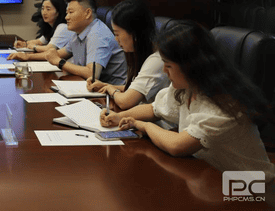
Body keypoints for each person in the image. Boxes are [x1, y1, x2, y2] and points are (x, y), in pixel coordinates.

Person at [100, 20, 275, 180]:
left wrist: (143, 126)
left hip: (249, 187)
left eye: (168, 65)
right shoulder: (188, 88)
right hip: (209, 176)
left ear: (191, 66)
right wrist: (120, 116)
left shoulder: (224, 106)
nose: (164, 71)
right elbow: (154, 108)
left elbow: (177, 145)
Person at [86, 0, 169, 109]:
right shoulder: (138, 52)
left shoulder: (157, 60)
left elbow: (126, 101)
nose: (116, 39)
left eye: (117, 34)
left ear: (134, 33)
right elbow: (132, 88)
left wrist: (111, 89)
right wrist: (106, 85)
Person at [45, 0, 127, 85]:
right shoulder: (79, 32)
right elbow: (59, 54)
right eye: (67, 13)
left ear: (87, 13)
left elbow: (92, 74)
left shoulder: (97, 34)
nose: (66, 17)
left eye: (71, 12)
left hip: (110, 90)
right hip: (89, 86)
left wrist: (60, 62)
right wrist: (51, 53)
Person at [8, 0, 74, 62]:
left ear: (58, 12)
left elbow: (50, 49)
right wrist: (24, 44)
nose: (44, 12)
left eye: (48, 9)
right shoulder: (50, 27)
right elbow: (39, 41)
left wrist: (33, 47)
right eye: (43, 9)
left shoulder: (63, 27)